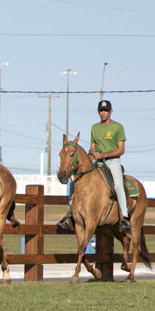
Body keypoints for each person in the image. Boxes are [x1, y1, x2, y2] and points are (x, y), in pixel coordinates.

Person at [58, 100, 130, 233]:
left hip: (113, 161)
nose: (103, 113)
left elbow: (121, 150)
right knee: (76, 181)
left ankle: (124, 218)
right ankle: (70, 215)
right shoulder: (94, 128)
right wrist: (90, 157)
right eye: (101, 111)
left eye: (106, 111)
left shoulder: (118, 127)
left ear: (111, 112)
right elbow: (92, 149)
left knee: (118, 185)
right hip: (98, 162)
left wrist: (103, 154)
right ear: (98, 112)